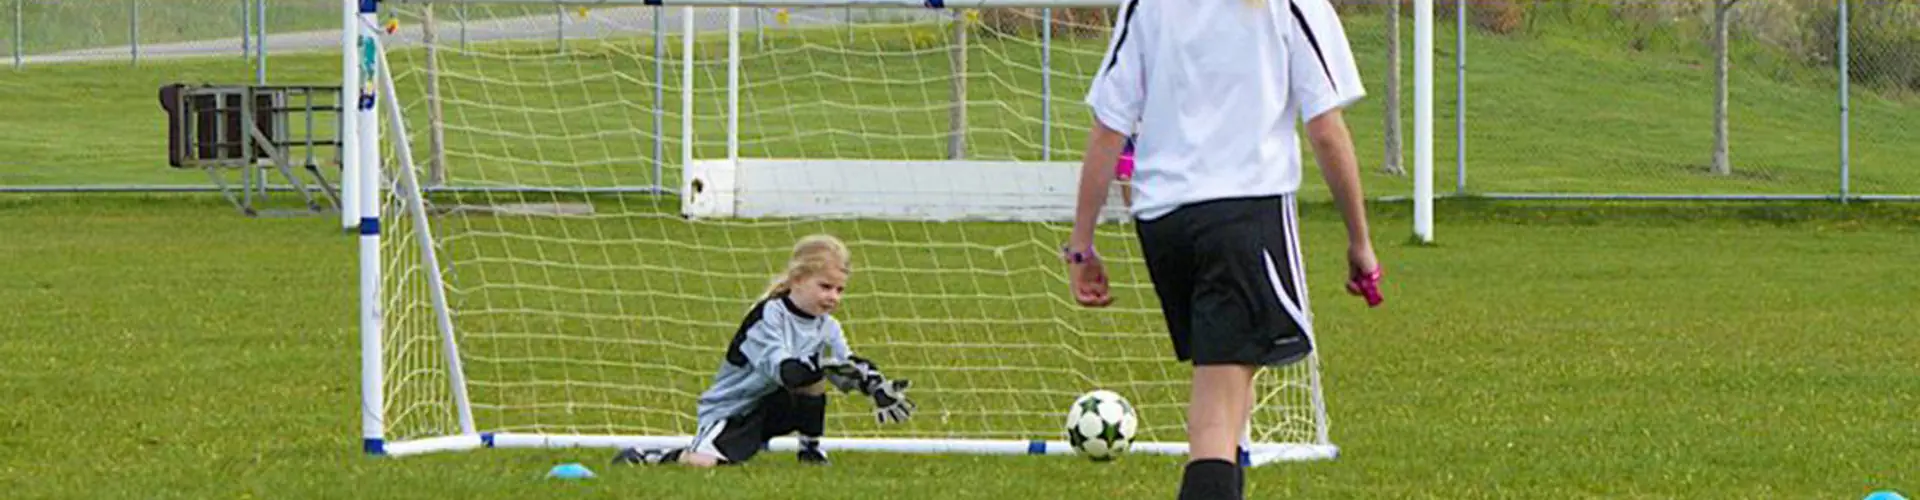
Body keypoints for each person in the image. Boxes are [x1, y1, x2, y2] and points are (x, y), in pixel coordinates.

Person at [1061, 0, 1384, 498]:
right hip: (1243, 217)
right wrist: (1359, 240)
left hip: (1164, 221)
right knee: (1213, 419)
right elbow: (1325, 129)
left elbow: (1109, 128)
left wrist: (1082, 246)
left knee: (1232, 388)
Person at [612, 234, 916, 468]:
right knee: (703, 464)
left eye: (840, 290)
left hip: (774, 406)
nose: (833, 297)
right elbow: (787, 373)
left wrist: (874, 384)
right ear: (797, 280)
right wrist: (824, 365)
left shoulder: (828, 326)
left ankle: (810, 449)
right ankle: (650, 456)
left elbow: (844, 365)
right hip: (735, 410)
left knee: (817, 378)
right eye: (825, 287)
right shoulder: (769, 315)